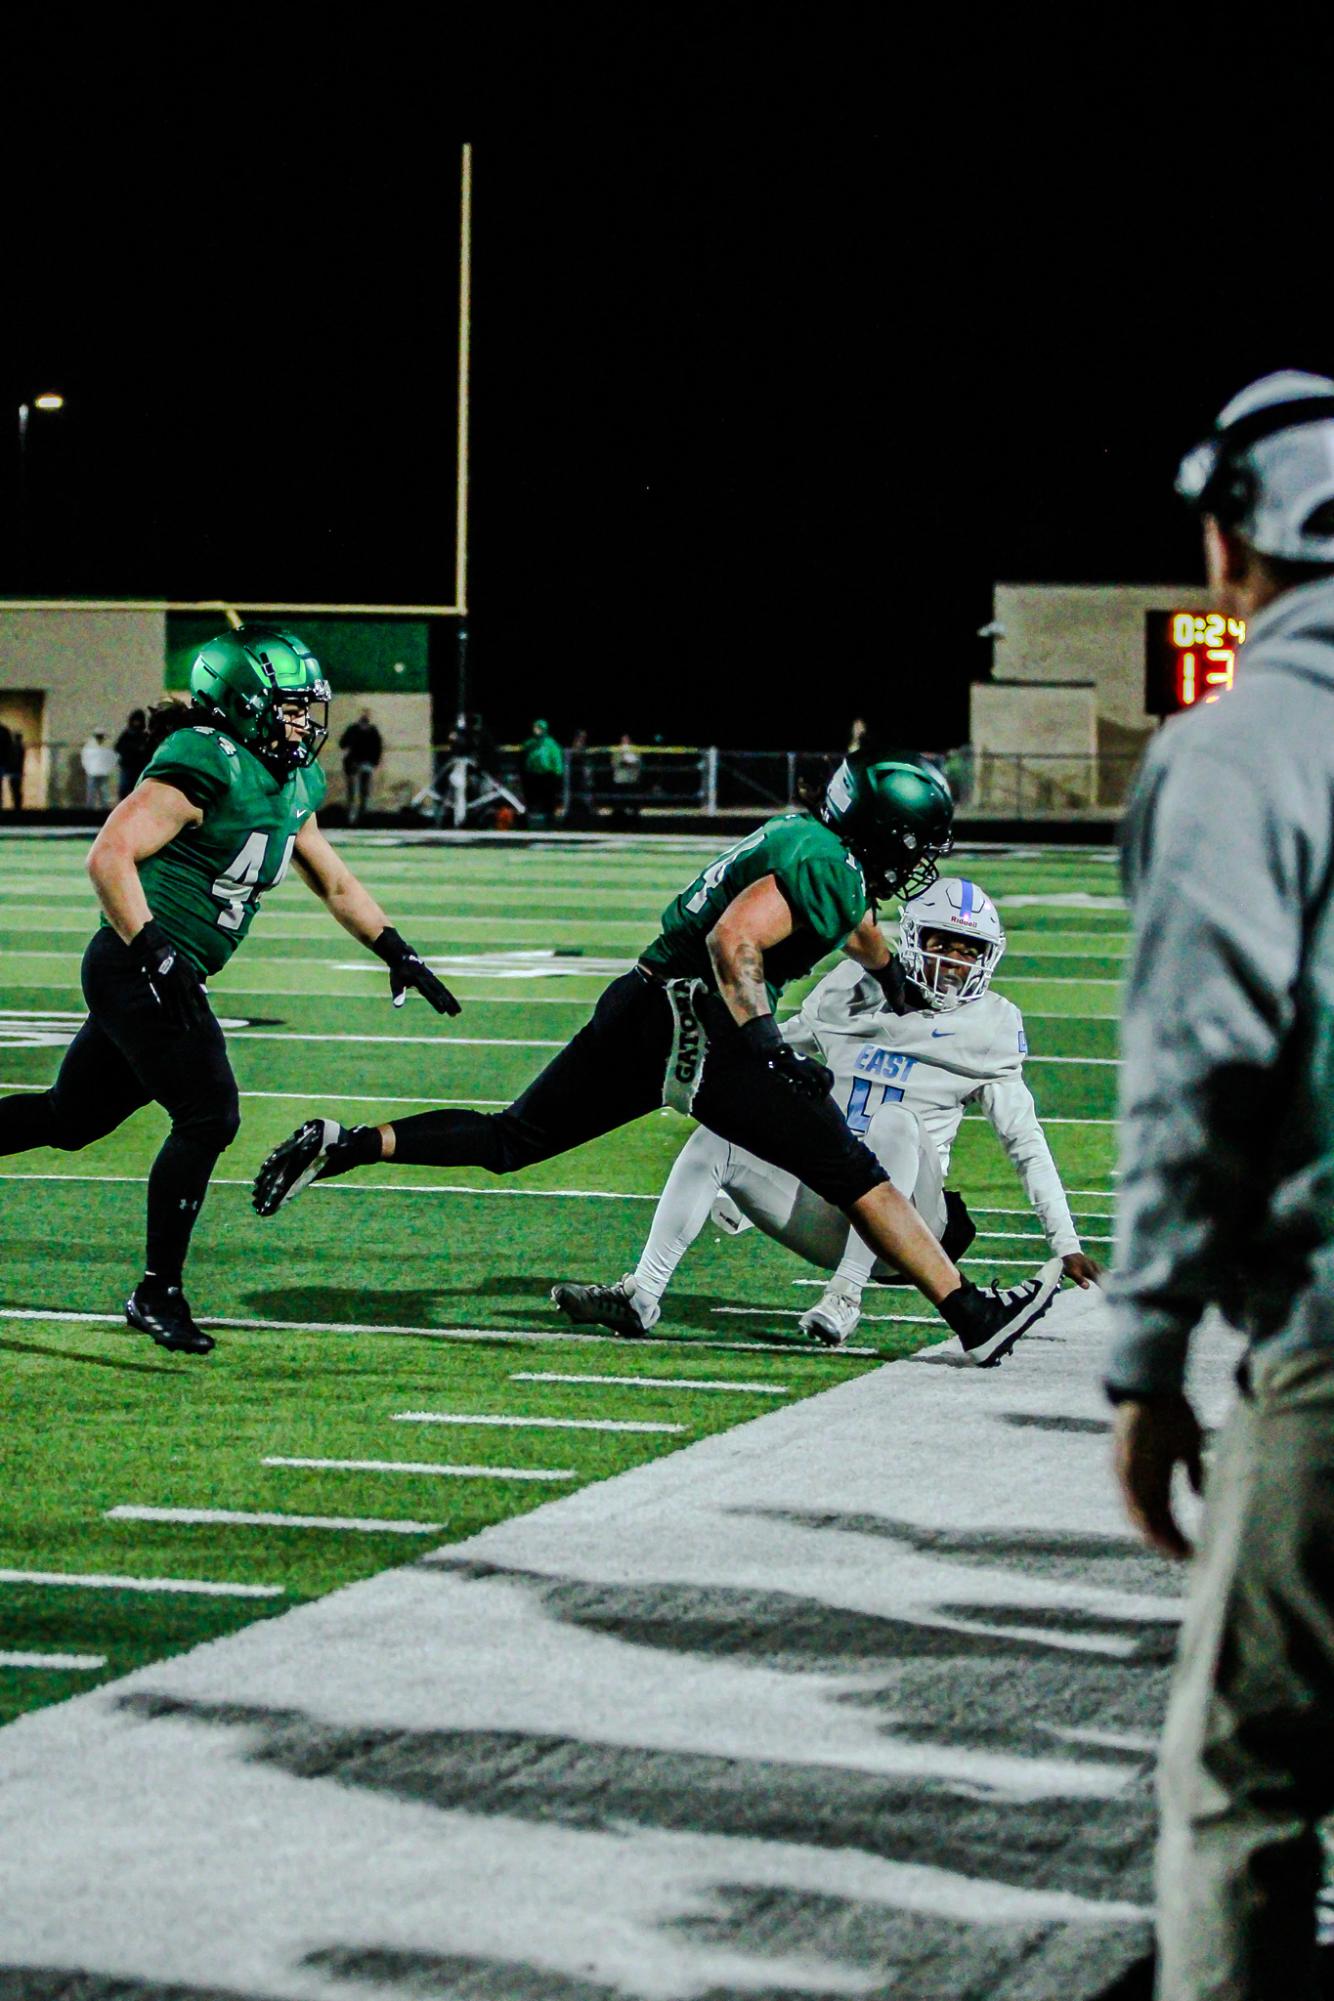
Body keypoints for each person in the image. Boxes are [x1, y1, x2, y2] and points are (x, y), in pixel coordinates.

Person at [254, 750, 1066, 1362]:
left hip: (640, 1003)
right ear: (887, 834)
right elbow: (735, 940)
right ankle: (974, 1317)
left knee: (512, 1139)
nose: (920, 858)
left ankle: (350, 1142)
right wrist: (764, 1047)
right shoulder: (827, 865)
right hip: (705, 1022)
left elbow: (844, 918)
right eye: (917, 842)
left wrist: (890, 975)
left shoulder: (810, 843)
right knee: (855, 1170)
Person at [1105, 369, 1334, 2000]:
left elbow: (1197, 1072)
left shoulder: (1244, 744)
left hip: (1326, 1338)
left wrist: (1141, 1361)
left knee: (1239, 1786)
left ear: (1233, 530)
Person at [0, 626, 460, 1356]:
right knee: (209, 1112)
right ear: (244, 703)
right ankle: (157, 1289)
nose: (308, 724)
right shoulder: (202, 759)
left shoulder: (289, 780)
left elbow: (332, 878)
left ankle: (154, 1285)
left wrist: (395, 950)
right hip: (134, 963)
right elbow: (109, 855)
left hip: (167, 967)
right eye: (293, 707)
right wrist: (155, 952)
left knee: (70, 1117)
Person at [555, 875, 1098, 1348]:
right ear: (910, 941)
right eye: (943, 943)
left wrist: (1065, 1242)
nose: (954, 963)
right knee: (715, 1136)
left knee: (895, 1123)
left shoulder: (991, 1025)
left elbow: (1024, 1143)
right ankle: (641, 1294)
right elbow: (774, 1049)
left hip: (908, 1230)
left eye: (967, 951)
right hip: (824, 1205)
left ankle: (845, 1296)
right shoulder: (851, 990)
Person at [338, 708, 383, 825]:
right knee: (360, 790)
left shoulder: (355, 730)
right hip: (361, 763)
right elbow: (378, 748)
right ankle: (358, 815)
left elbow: (342, 744)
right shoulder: (371, 731)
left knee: (356, 790)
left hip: (357, 762)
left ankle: (356, 815)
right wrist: (375, 762)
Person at [519, 717, 564, 827]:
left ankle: (550, 821)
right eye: (535, 727)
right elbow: (524, 756)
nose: (536, 730)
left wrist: (558, 772)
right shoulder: (530, 743)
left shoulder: (550, 743)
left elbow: (556, 758)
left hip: (547, 775)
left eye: (539, 728)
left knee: (549, 799)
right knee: (531, 799)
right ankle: (530, 821)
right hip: (533, 775)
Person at [114, 709, 152, 800]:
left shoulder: (145, 735)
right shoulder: (126, 735)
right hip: (128, 766)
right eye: (135, 721)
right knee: (124, 788)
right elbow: (118, 747)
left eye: (138, 721)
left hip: (140, 767)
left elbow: (149, 749)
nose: (137, 723)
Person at [80, 730, 116, 811]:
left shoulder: (107, 747)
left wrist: (108, 769)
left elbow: (112, 759)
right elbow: (85, 759)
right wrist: (88, 769)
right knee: (91, 793)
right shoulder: (89, 747)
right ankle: (90, 809)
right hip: (93, 773)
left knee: (104, 793)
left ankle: (104, 809)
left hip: (103, 773)